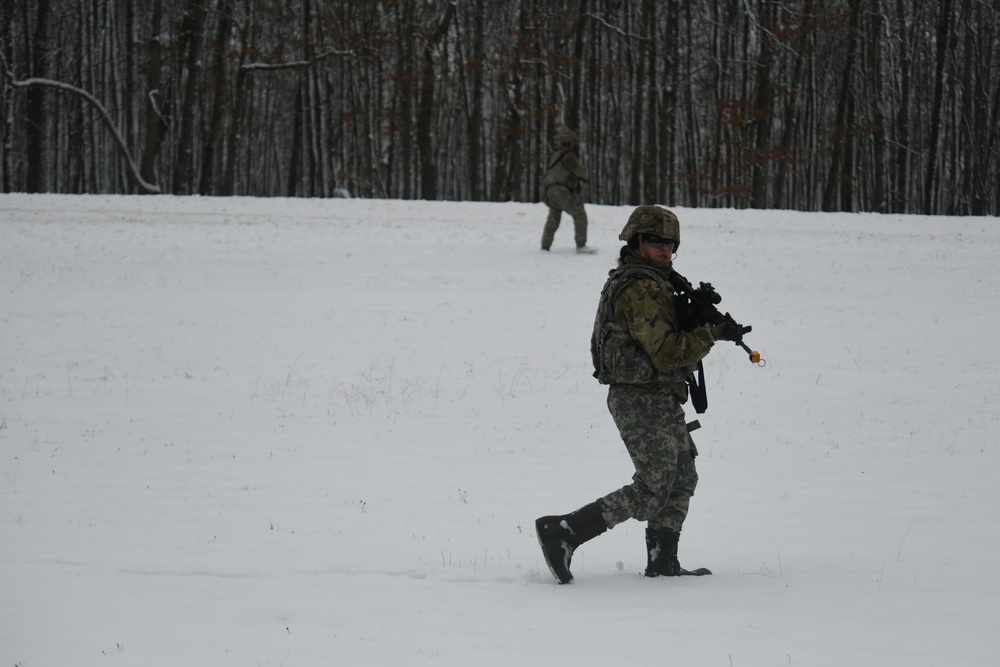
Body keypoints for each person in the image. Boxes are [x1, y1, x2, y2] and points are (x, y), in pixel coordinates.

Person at [535, 205, 742, 584]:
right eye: (658, 242)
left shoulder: (657, 281)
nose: (666, 250)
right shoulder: (642, 288)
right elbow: (666, 353)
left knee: (681, 478)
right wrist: (710, 335)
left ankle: (663, 562)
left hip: (658, 394)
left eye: (671, 244)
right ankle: (564, 531)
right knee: (652, 487)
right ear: (636, 242)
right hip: (639, 396)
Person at [541, 129, 594, 253]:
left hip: (551, 190)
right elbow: (578, 171)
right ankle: (581, 245)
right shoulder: (569, 156)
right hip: (562, 190)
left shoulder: (555, 154)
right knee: (579, 214)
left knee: (553, 217)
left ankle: (545, 245)